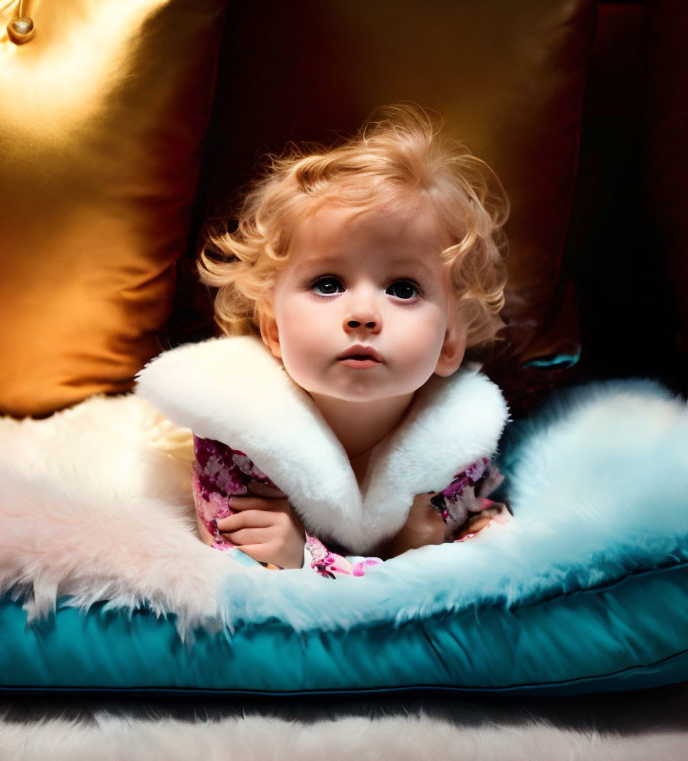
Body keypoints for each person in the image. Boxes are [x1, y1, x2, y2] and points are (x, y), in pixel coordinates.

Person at [136, 103, 512, 577]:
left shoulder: (459, 439)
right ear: (273, 328)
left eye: (403, 289)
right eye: (328, 284)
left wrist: (418, 546)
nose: (362, 315)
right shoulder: (236, 427)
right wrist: (311, 557)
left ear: (450, 343)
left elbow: (482, 560)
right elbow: (236, 561)